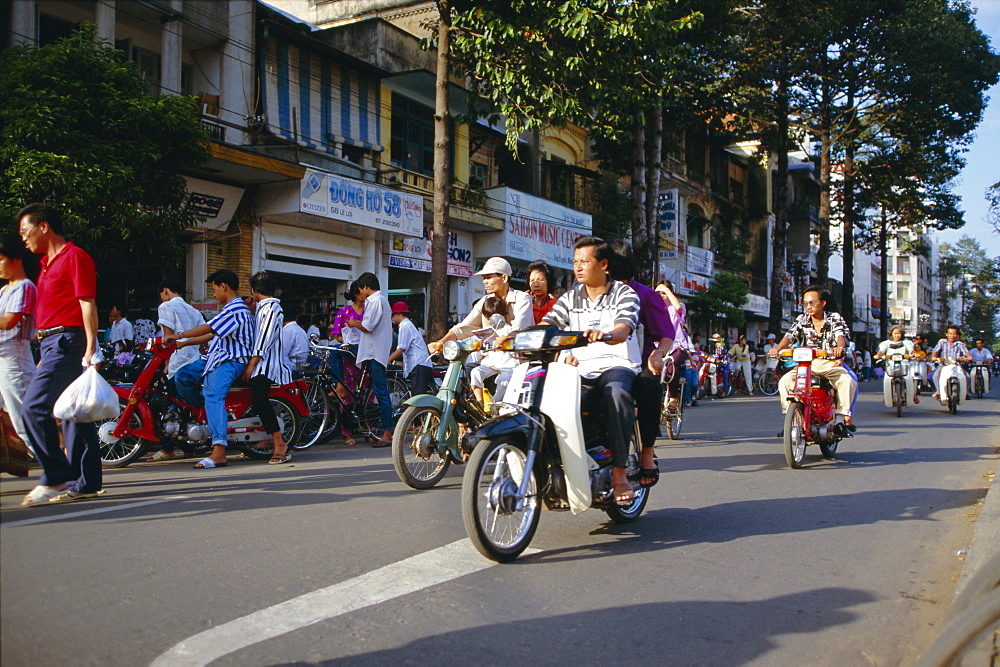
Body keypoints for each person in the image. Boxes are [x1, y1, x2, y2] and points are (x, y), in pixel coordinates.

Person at [541, 236, 641, 505]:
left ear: (604, 264)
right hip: (580, 368)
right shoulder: (570, 298)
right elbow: (548, 326)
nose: (578, 267)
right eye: (575, 262)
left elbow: (624, 326)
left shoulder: (624, 293)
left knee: (616, 395)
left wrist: (607, 334)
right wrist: (513, 338)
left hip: (616, 363)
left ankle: (620, 474)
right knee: (549, 401)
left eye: (584, 261)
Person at [17, 203, 103, 506]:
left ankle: (54, 475)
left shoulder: (74, 256)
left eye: (26, 232)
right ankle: (87, 482)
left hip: (68, 339)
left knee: (34, 407)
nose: (23, 239)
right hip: (52, 342)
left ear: (44, 226)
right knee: (73, 413)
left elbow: (87, 302)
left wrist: (91, 345)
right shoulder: (45, 263)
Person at [166, 269, 255, 469]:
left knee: (213, 396)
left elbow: (209, 328)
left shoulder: (236, 310)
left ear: (223, 286)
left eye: (214, 289)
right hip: (213, 357)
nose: (214, 294)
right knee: (182, 376)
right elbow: (211, 335)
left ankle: (219, 451)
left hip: (230, 360)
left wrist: (179, 336)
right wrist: (183, 344)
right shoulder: (229, 310)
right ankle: (208, 414)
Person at [608, 242, 674, 490]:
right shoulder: (585, 296)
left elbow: (666, 336)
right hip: (599, 361)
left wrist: (657, 354)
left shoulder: (647, 296)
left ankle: (647, 451)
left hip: (639, 362)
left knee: (648, 385)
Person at [769, 285, 857, 434]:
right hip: (806, 364)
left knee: (847, 381)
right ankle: (791, 420)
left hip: (829, 363)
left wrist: (839, 349)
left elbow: (840, 336)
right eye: (805, 303)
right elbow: (789, 336)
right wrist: (777, 349)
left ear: (823, 303)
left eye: (812, 303)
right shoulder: (802, 319)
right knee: (785, 381)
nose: (808, 307)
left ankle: (841, 420)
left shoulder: (834, 318)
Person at [144, 280, 206, 461]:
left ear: (164, 290)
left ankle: (167, 447)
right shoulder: (193, 310)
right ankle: (187, 448)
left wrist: (165, 362)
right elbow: (203, 335)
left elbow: (167, 338)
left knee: (168, 406)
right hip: (193, 360)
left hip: (177, 362)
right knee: (182, 406)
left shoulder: (166, 306)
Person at [243, 271, 293, 464]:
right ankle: (262, 439)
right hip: (260, 362)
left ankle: (279, 443)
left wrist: (252, 363)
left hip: (265, 365)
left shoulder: (272, 308)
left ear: (255, 291)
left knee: (260, 401)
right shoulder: (263, 308)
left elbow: (264, 338)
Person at [430, 256, 533, 349]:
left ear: (504, 278)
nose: (485, 281)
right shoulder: (485, 300)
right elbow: (464, 327)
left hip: (519, 357)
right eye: (484, 278)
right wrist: (440, 343)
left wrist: (505, 338)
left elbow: (520, 328)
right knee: (473, 370)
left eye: (489, 277)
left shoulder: (522, 298)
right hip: (492, 357)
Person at [344, 272, 394, 447]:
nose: (360, 295)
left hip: (375, 352)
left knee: (381, 392)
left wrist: (353, 323)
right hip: (374, 351)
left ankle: (387, 433)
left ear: (365, 287)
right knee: (374, 392)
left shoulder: (375, 301)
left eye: (360, 290)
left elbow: (367, 326)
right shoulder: (377, 301)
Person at [0, 234, 38, 446]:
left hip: (13, 358)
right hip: (3, 358)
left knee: (24, 422)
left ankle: (60, 469)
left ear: (16, 260)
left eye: (1, 259)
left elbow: (8, 322)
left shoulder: (23, 287)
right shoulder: (4, 289)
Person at [466, 295, 518, 406]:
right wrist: (482, 348)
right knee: (475, 372)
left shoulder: (509, 330)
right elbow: (483, 353)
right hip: (491, 363)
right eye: (488, 318)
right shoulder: (489, 331)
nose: (490, 320)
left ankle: (495, 403)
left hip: (508, 364)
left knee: (503, 380)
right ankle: (479, 402)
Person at [330, 282, 364, 444]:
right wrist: (347, 341)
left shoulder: (370, 312)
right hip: (348, 357)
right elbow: (337, 335)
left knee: (366, 394)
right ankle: (347, 432)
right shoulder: (343, 312)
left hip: (365, 355)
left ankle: (367, 428)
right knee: (348, 394)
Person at [655, 280, 696, 408]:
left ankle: (673, 398)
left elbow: (678, 307)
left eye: (664, 293)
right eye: (658, 293)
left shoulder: (678, 307)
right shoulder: (654, 309)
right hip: (658, 346)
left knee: (672, 367)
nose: (661, 295)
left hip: (677, 346)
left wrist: (667, 290)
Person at [388, 301, 434, 398]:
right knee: (420, 395)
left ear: (398, 314)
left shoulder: (404, 326)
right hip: (422, 363)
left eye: (393, 315)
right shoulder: (409, 324)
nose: (393, 319)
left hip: (418, 364)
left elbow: (401, 348)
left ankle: (419, 413)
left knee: (417, 398)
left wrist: (389, 359)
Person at [874, 326, 918, 405]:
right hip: (890, 366)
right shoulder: (886, 343)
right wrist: (878, 355)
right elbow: (881, 351)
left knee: (909, 379)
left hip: (904, 365)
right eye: (895, 333)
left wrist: (914, 353)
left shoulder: (906, 342)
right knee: (887, 379)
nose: (897, 335)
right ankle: (887, 397)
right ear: (891, 334)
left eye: (899, 333)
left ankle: (912, 396)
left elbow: (911, 350)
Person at [929, 325, 973, 400]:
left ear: (957, 335)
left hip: (957, 366)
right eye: (950, 333)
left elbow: (966, 353)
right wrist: (934, 357)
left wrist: (968, 357)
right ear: (947, 334)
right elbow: (935, 352)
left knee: (967, 376)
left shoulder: (960, 344)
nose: (952, 336)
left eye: (954, 334)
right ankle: (939, 392)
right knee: (935, 376)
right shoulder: (942, 343)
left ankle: (965, 393)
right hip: (944, 365)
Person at [281, 302, 310, 375]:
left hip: (292, 369)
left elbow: (282, 353)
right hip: (299, 366)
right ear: (297, 317)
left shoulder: (288, 330)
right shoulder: (300, 330)